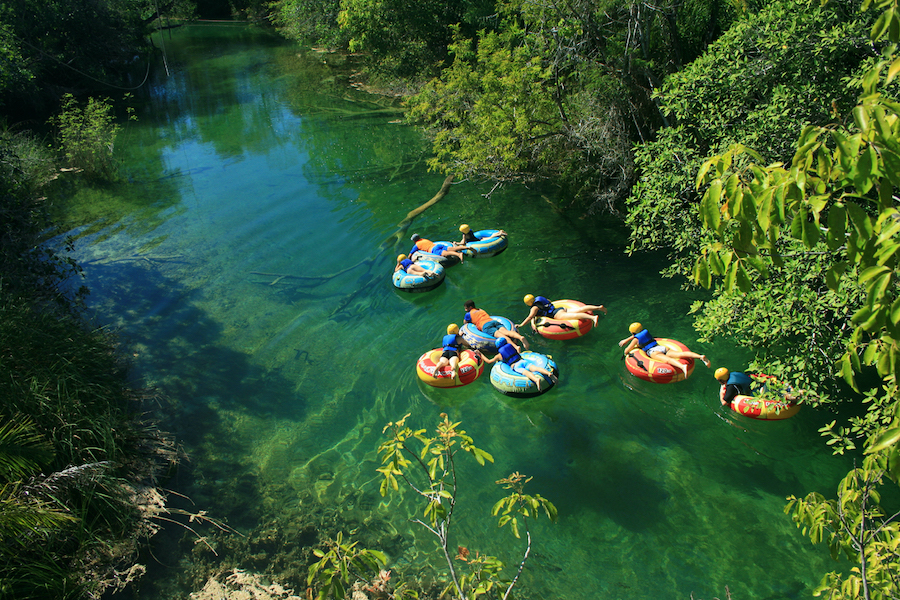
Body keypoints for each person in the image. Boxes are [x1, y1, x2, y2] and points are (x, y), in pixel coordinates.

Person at [617, 322, 711, 377]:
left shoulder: (635, 340)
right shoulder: (645, 331)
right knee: (680, 354)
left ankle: (682, 367)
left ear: (632, 333)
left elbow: (626, 351)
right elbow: (638, 335)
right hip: (662, 347)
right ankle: (700, 356)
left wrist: (633, 345)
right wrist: (629, 338)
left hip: (653, 352)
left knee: (668, 360)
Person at [481, 337, 557, 391]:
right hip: (523, 361)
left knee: (526, 372)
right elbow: (518, 351)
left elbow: (489, 361)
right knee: (536, 368)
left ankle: (536, 380)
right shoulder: (511, 346)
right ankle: (548, 373)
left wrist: (480, 354)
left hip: (516, 366)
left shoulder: (499, 355)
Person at [464, 299, 529, 350]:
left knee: (502, 336)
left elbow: (465, 323)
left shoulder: (468, 314)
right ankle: (520, 337)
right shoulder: (480, 310)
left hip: (485, 326)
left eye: (466, 308)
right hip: (492, 321)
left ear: (470, 307)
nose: (465, 310)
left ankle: (515, 347)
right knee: (506, 332)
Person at [518, 294, 607, 330]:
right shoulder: (540, 298)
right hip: (560, 308)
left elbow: (530, 317)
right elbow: (549, 301)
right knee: (580, 309)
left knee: (574, 316)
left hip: (556, 314)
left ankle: (593, 318)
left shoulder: (534, 308)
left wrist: (521, 325)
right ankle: (599, 307)